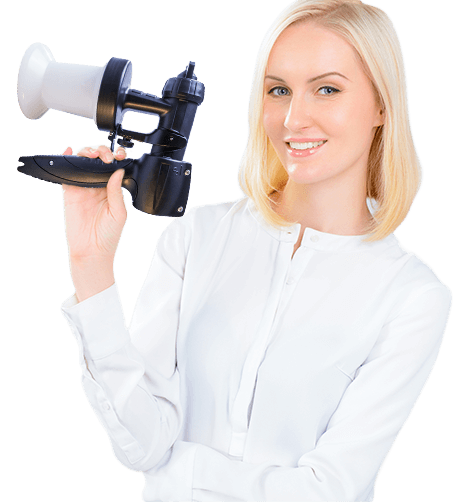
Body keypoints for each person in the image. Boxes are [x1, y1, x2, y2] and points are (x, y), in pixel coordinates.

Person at [60, 1, 452, 501]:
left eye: (327, 89)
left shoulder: (412, 297)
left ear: (382, 105)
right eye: (278, 90)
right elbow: (142, 445)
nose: (293, 119)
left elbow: (330, 490)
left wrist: (180, 473)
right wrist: (90, 266)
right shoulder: (197, 236)